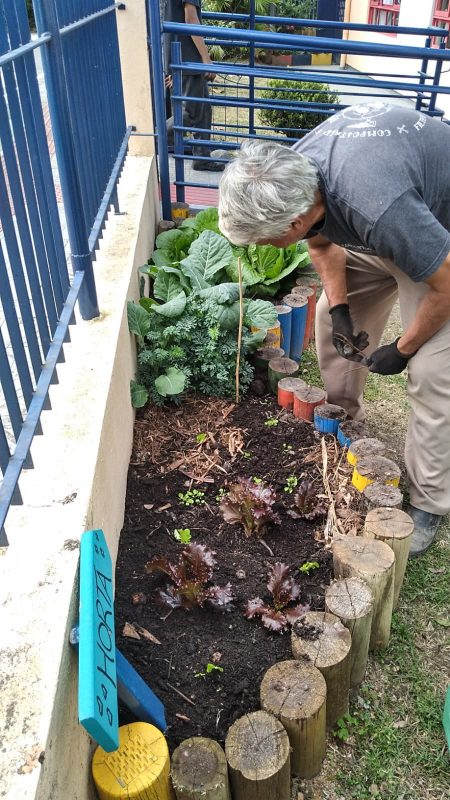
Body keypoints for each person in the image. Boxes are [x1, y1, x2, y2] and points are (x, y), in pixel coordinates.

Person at [218, 102, 450, 557]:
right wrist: (342, 309)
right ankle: (342, 420)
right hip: (386, 223)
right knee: (327, 314)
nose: (265, 246)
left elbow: (446, 286)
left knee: (432, 374)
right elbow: (323, 240)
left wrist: (403, 349)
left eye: (267, 239)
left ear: (293, 221)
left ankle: (430, 501)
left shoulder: (378, 205)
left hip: (439, 241)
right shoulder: (298, 172)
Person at [164, 0, 225, 171]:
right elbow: (191, 19)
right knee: (190, 111)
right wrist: (206, 60)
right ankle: (155, 137)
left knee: (203, 109)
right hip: (187, 58)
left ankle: (201, 157)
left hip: (180, 55)